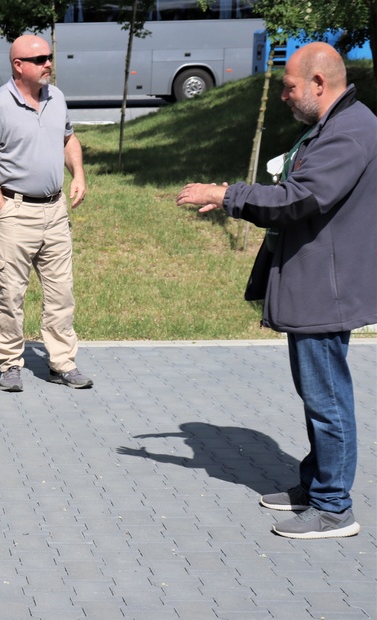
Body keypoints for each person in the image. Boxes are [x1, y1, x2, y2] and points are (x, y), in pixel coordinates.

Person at [176, 42, 376, 540]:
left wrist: (225, 195)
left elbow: (298, 198)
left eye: (289, 87)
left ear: (318, 83)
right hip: (317, 283)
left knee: (327, 398)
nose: (284, 96)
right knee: (319, 395)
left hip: (324, 291)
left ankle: (334, 507)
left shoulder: (349, 133)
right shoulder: (334, 125)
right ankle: (317, 486)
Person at [0, 34, 90, 393]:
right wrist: (0, 208)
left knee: (61, 293)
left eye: (49, 58)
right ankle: (9, 363)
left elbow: (68, 138)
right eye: (39, 59)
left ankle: (62, 362)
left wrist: (79, 175)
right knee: (10, 293)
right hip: (15, 212)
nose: (48, 64)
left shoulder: (57, 99)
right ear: (18, 65)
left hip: (54, 211)